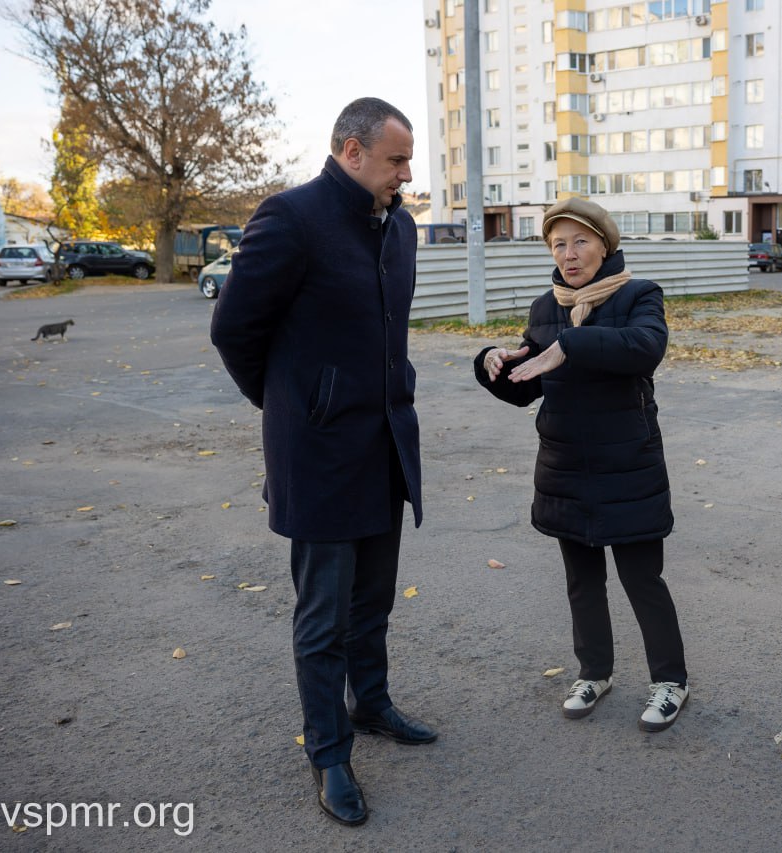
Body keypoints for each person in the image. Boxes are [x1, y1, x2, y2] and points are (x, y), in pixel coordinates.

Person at [210, 97, 435, 827]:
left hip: (384, 445)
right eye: (397, 159)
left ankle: (369, 705)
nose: (407, 172)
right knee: (323, 617)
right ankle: (329, 753)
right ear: (351, 152)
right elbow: (236, 330)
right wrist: (293, 407)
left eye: (408, 159)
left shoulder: (399, 227)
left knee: (372, 602)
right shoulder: (292, 217)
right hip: (321, 454)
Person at [473, 197, 690, 732]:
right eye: (558, 245)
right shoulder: (545, 307)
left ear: (605, 244)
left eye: (580, 242)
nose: (569, 255)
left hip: (627, 466)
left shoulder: (641, 294)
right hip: (566, 465)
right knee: (582, 581)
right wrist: (492, 364)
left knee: (643, 579)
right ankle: (594, 671)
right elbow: (530, 385)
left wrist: (569, 343)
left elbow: (644, 347)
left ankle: (670, 681)